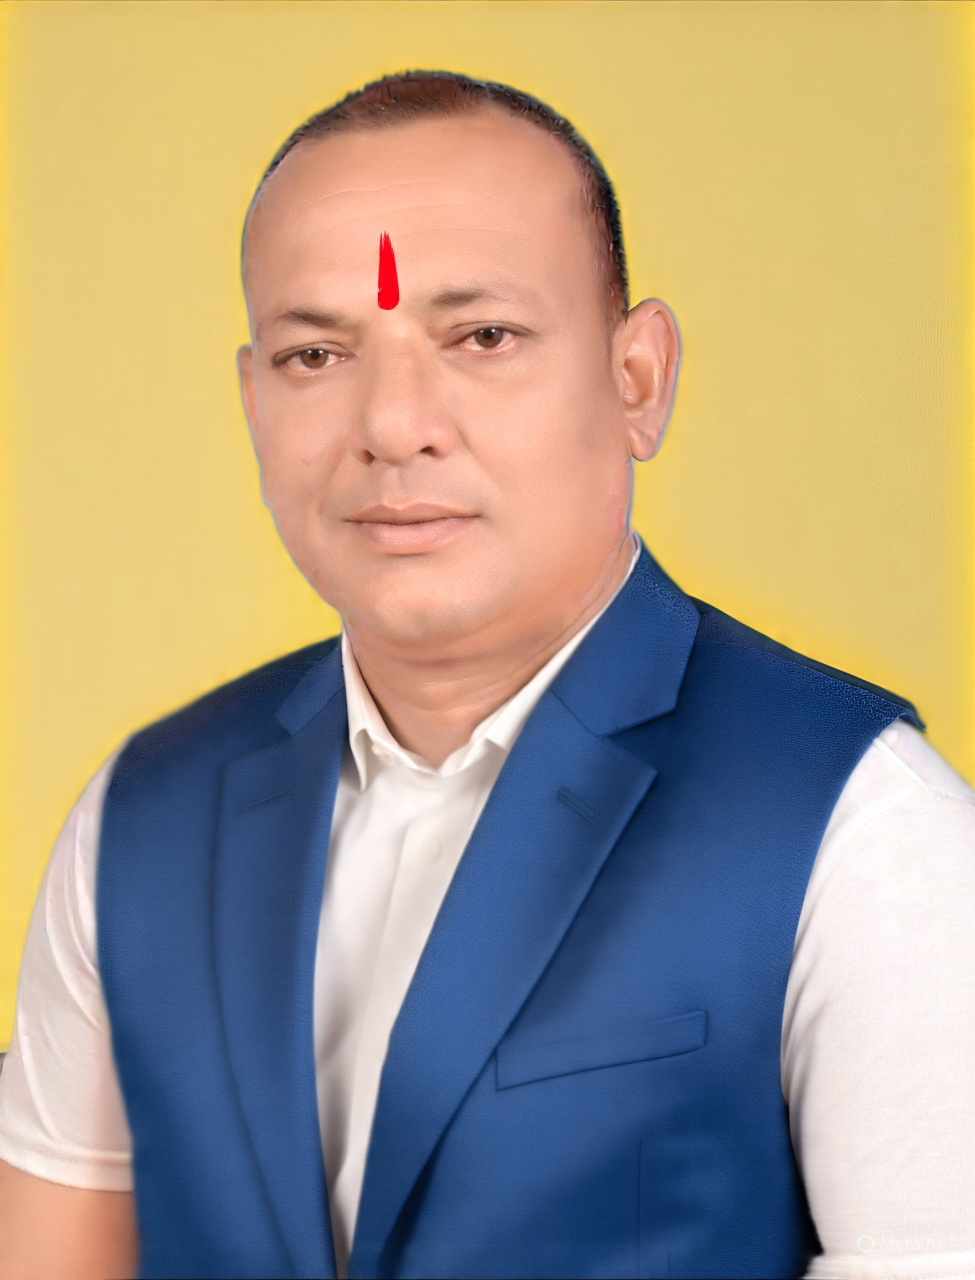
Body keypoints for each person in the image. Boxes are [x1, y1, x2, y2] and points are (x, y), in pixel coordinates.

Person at [0, 69, 973, 1280]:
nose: (392, 423)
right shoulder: (139, 817)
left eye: (482, 337)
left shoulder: (864, 829)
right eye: (316, 353)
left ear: (638, 379)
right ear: (252, 401)